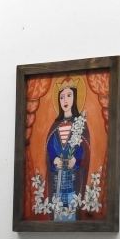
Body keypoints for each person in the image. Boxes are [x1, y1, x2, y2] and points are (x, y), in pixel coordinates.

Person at [45, 77, 91, 220]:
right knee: (57, 207)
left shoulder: (80, 125)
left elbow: (84, 148)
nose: (65, 100)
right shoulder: (55, 126)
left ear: (75, 98)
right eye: (62, 97)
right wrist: (54, 159)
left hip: (73, 176)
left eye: (69, 95)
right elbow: (50, 147)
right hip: (57, 176)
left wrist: (76, 159)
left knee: (71, 207)